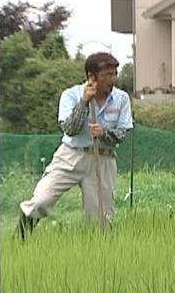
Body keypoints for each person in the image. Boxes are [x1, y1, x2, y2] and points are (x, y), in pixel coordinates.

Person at [17, 52, 134, 240]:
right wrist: (84, 102)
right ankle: (20, 240)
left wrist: (104, 133)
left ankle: (99, 257)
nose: (112, 80)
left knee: (101, 221)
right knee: (41, 200)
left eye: (114, 74)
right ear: (91, 77)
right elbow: (69, 129)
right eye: (107, 75)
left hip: (103, 158)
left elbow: (122, 133)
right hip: (71, 155)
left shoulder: (121, 99)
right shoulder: (71, 95)